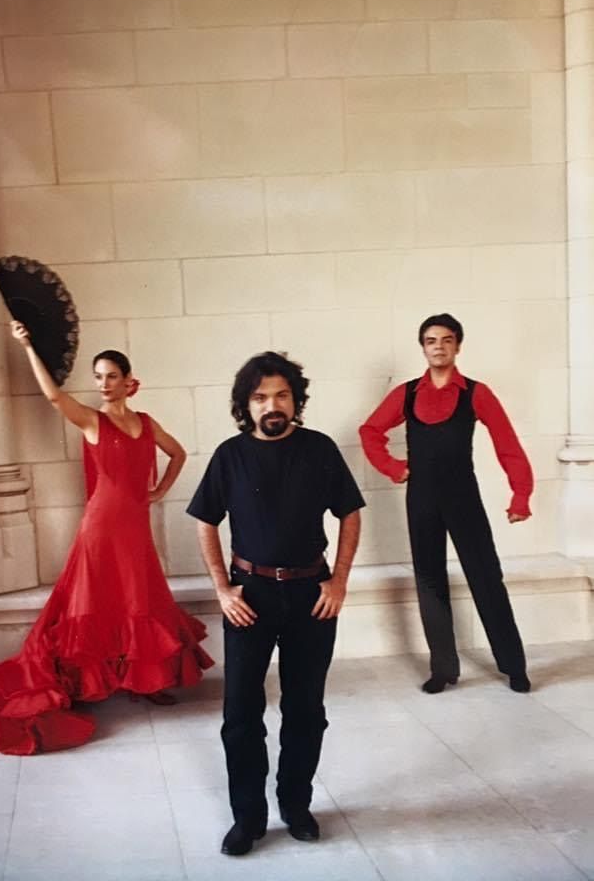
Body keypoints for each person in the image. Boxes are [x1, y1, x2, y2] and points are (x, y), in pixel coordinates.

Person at [0, 322, 213, 773]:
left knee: (139, 598)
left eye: (111, 376)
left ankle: (147, 681)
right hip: (100, 528)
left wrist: (159, 491)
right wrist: (28, 346)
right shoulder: (93, 420)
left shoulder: (145, 422)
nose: (103, 384)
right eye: (98, 377)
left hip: (135, 528)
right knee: (93, 602)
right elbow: (55, 397)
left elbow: (178, 454)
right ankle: (88, 683)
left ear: (128, 380)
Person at [187, 351, 364, 856]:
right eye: (261, 396)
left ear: (295, 399)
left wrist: (339, 581)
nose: (272, 404)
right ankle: (248, 818)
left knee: (305, 709)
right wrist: (222, 589)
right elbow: (205, 521)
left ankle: (296, 805)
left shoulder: (320, 449)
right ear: (246, 404)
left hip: (312, 595)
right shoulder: (230, 455)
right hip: (251, 595)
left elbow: (350, 513)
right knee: (241, 713)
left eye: (282, 395)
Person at [359, 312, 533, 696]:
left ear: (458, 346)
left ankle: (514, 667)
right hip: (421, 499)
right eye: (431, 341)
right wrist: (393, 467)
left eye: (446, 340)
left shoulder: (476, 393)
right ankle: (443, 669)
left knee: (486, 578)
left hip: (462, 496)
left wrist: (520, 494)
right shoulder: (406, 394)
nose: (439, 347)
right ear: (423, 348)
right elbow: (369, 431)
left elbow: (507, 443)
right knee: (429, 581)